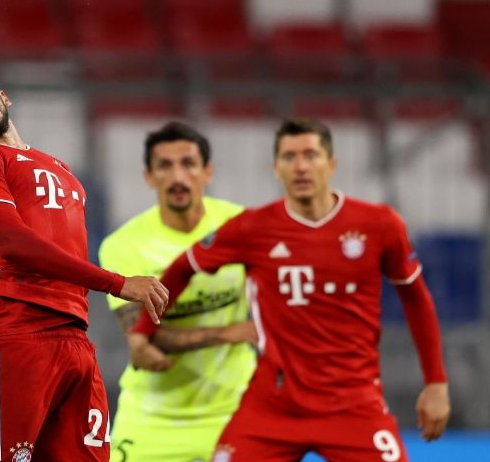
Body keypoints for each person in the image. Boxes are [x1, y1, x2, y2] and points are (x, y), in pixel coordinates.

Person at [131, 118, 451, 462]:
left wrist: (436, 382)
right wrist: (141, 333)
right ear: (275, 167)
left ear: (331, 164)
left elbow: (416, 298)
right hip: (273, 406)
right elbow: (182, 268)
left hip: (354, 405)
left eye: (310, 155)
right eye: (289, 157)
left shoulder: (379, 225)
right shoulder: (252, 227)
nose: (300, 166)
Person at [0, 50, 168, 462]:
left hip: (75, 338)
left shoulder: (58, 166)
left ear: (2, 96)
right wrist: (118, 283)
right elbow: (14, 243)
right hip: (18, 335)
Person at [98, 121, 257, 462]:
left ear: (207, 171)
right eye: (165, 166)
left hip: (234, 409)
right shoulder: (125, 245)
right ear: (149, 176)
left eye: (188, 164)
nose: (178, 176)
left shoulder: (241, 225)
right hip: (154, 416)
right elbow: (144, 335)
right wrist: (231, 333)